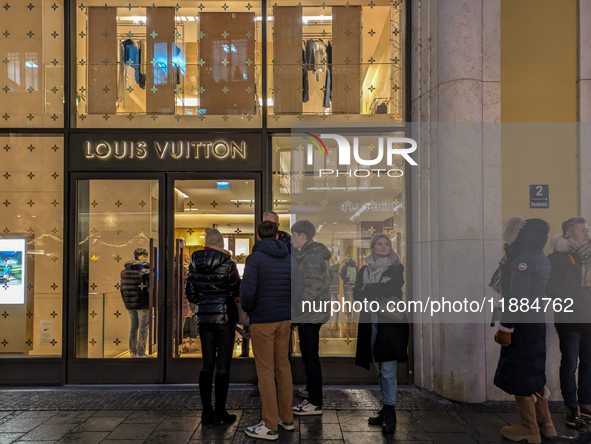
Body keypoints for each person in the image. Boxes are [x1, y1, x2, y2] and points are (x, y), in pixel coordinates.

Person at [493, 216, 556, 443]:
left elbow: (516, 299)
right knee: (534, 372)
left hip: (521, 325)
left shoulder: (523, 262)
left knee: (520, 373)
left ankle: (529, 429)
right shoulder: (540, 258)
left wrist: (505, 327)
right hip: (536, 321)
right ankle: (546, 425)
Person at [241, 221, 304, 440]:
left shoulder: (255, 259)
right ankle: (286, 418)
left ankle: (269, 425)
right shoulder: (289, 259)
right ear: (277, 236)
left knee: (266, 372)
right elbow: (298, 290)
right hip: (284, 319)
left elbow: (247, 293)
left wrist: (250, 311)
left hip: (262, 321)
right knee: (283, 368)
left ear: (258, 237)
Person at [352, 234, 409, 434]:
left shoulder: (396, 268)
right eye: (380, 243)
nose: (383, 246)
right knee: (378, 367)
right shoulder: (364, 270)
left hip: (391, 322)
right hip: (370, 320)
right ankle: (385, 409)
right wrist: (377, 288)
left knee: (388, 370)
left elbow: (394, 287)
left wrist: (369, 288)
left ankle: (391, 412)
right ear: (372, 247)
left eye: (386, 244)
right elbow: (356, 294)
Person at [185, 228, 241, 426]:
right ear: (222, 244)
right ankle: (221, 411)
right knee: (223, 365)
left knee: (207, 364)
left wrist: (202, 303)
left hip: (204, 318)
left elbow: (189, 291)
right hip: (224, 317)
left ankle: (206, 413)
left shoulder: (193, 262)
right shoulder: (227, 263)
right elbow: (237, 288)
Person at [546, 217, 591, 427]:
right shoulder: (558, 258)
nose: (586, 233)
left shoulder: (589, 256)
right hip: (570, 319)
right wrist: (575, 298)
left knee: (589, 363)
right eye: (582, 230)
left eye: (587, 230)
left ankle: (586, 403)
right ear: (568, 233)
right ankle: (571, 406)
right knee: (570, 363)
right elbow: (552, 288)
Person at [291, 220, 331, 416]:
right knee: (309, 355)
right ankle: (310, 390)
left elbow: (312, 288)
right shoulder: (309, 254)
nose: (292, 239)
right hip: (311, 313)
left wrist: (298, 308)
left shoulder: (312, 256)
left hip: (310, 314)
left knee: (310, 357)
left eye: (294, 235)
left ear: (302, 236)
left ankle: (315, 402)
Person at [120, 248, 151, 358]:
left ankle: (133, 352)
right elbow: (149, 289)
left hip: (129, 304)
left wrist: (126, 302)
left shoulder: (124, 272)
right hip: (143, 303)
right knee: (143, 329)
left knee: (133, 328)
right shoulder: (146, 271)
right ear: (145, 256)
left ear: (134, 256)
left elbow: (122, 289)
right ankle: (141, 353)